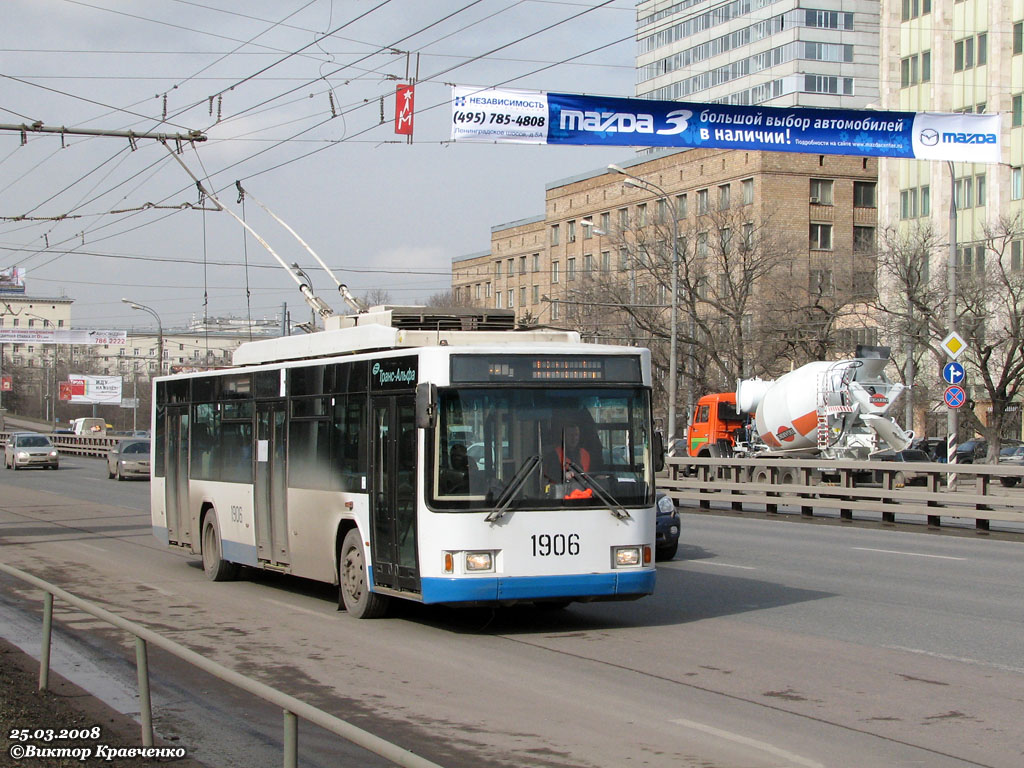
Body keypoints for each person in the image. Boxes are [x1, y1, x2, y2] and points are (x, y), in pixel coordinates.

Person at [543, 421, 592, 490]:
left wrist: (597, 476)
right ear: (564, 437)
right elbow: (550, 474)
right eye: (570, 435)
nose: (574, 438)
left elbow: (591, 474)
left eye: (576, 435)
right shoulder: (554, 455)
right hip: (561, 496)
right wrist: (564, 475)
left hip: (584, 495)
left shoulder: (585, 454)